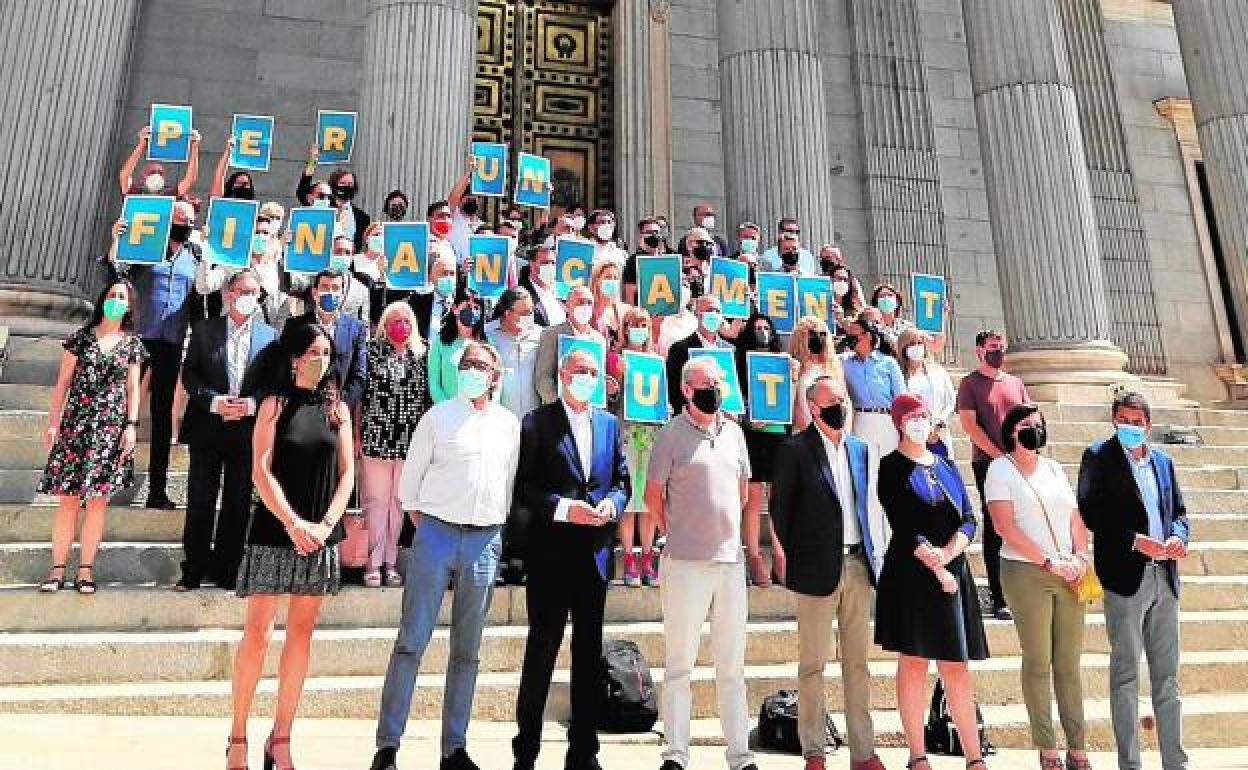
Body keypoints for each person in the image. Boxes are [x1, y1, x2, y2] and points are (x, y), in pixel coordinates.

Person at [371, 341, 520, 770]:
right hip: (435, 533)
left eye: (482, 365)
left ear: (495, 376)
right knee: (411, 641)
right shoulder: (437, 418)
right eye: (467, 363)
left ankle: (454, 748)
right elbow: (410, 487)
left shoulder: (508, 425)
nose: (474, 370)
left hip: (484, 540)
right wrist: (433, 526)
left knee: (468, 650)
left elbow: (507, 483)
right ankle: (388, 746)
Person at [229, 321, 354, 770]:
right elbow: (261, 471)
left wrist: (323, 526)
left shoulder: (337, 411)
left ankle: (281, 738)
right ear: (295, 357)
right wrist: (292, 522)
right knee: (258, 635)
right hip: (274, 529)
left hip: (319, 535)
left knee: (301, 634)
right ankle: (238, 736)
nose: (322, 360)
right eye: (314, 352)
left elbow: (348, 476)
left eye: (328, 353)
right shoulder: (273, 405)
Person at [511, 349, 630, 770]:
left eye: (594, 372)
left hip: (595, 557)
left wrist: (613, 506)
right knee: (541, 654)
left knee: (587, 655)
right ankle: (526, 749)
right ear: (562, 375)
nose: (587, 378)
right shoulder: (537, 423)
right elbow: (524, 488)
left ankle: (583, 751)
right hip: (550, 558)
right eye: (580, 371)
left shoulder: (609, 424)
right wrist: (564, 508)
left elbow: (621, 480)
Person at [644, 357, 758, 770]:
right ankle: (675, 754)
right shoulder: (669, 436)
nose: (716, 389)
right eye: (707, 383)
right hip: (685, 564)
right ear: (687, 389)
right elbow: (653, 495)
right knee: (680, 664)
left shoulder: (734, 433)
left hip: (729, 562)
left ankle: (740, 756)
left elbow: (743, 492)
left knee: (732, 666)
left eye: (719, 382)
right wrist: (674, 531)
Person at [770, 376, 889, 770]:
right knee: (813, 665)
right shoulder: (794, 450)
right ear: (814, 409)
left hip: (856, 565)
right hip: (816, 569)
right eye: (833, 401)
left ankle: (863, 751)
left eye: (843, 399)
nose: (841, 405)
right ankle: (814, 750)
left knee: (858, 663)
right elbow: (781, 514)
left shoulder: (860, 449)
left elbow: (867, 506)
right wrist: (800, 557)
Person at [874, 393, 990, 770]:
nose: (920, 423)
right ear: (899, 423)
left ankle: (974, 757)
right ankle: (917, 755)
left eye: (924, 416)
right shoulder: (891, 467)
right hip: (913, 574)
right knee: (914, 662)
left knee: (956, 665)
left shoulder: (946, 465)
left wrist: (949, 556)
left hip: (953, 570)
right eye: (912, 417)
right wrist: (934, 563)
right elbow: (903, 524)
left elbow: (970, 519)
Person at [1077, 391, 1190, 770]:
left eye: (1136, 422)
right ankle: (1130, 763)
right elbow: (1090, 512)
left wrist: (1178, 537)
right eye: (1123, 420)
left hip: (1165, 578)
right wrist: (1134, 540)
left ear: (1148, 425)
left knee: (1168, 678)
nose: (1130, 427)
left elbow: (1180, 512)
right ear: (1114, 421)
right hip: (1126, 578)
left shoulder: (1163, 461)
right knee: (1126, 672)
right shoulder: (1098, 457)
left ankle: (1175, 761)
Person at [985, 404, 1092, 770]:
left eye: (1039, 424)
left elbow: (1076, 519)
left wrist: (1080, 558)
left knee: (1069, 664)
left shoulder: (1054, 468)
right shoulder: (1000, 469)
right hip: (1027, 571)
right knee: (1038, 660)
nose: (1035, 429)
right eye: (1027, 424)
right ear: (1012, 431)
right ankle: (1047, 749)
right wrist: (1048, 562)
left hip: (1071, 573)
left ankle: (1078, 749)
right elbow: (1004, 526)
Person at [37, 280, 146, 595]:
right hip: (76, 426)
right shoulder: (80, 339)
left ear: (129, 306)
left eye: (121, 297)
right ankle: (57, 569)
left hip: (110, 431)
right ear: (103, 300)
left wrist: (131, 425)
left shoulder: (132, 344)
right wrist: (53, 422)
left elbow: (133, 389)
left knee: (98, 502)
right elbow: (62, 384)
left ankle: (85, 569)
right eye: (111, 295)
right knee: (68, 501)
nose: (115, 300)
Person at [177, 270, 277, 591]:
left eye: (255, 292)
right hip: (208, 426)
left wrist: (250, 405)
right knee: (201, 499)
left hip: (247, 430)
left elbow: (272, 383)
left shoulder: (269, 336)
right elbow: (190, 375)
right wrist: (214, 401)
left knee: (236, 502)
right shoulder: (205, 330)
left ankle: (227, 569)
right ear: (229, 294)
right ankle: (193, 568)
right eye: (243, 291)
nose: (249, 297)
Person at [109, 201, 200, 509]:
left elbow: (201, 303)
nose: (184, 223)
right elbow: (117, 273)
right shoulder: (147, 248)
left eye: (189, 220)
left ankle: (157, 489)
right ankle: (109, 476)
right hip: (139, 337)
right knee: (124, 406)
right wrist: (116, 240)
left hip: (172, 342)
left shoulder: (195, 258)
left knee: (162, 416)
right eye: (179, 218)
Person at [958, 329, 1030, 621]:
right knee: (995, 525)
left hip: (1019, 460)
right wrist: (998, 456)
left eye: (1001, 347)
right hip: (988, 463)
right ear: (979, 350)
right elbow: (970, 426)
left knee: (1023, 520)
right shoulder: (970, 384)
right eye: (992, 347)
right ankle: (999, 596)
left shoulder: (1015, 383)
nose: (997, 352)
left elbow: (1029, 416)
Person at [359, 302, 431, 588]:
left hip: (409, 440)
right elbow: (362, 395)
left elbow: (426, 398)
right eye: (394, 320)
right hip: (376, 436)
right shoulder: (371, 351)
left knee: (399, 503)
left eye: (405, 320)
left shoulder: (422, 354)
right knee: (376, 502)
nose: (400, 326)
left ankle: (390, 561)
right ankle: (372, 562)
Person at [610, 306, 666, 586]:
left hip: (652, 436)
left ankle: (647, 557)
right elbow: (607, 400)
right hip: (627, 435)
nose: (638, 328)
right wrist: (617, 377)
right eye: (633, 323)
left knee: (648, 500)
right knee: (630, 500)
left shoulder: (657, 361)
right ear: (624, 327)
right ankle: (629, 559)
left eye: (643, 324)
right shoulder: (616, 358)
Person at [736, 312, 790, 587]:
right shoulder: (741, 361)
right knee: (754, 497)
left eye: (766, 327)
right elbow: (738, 397)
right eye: (757, 327)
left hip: (779, 434)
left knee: (778, 498)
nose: (762, 332)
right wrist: (749, 417)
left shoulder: (782, 361)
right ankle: (755, 557)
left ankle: (781, 555)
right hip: (753, 434)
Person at [289, 269, 368, 409]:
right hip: (299, 407)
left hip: (336, 412)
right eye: (325, 287)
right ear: (314, 293)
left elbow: (359, 376)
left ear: (342, 294)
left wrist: (339, 404)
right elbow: (285, 367)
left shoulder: (356, 329)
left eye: (335, 288)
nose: (330, 292)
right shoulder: (295, 326)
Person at [840, 317, 905, 456]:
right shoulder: (844, 362)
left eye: (854, 335)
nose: (850, 339)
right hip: (859, 419)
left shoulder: (888, 362)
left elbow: (901, 397)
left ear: (868, 336)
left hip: (887, 420)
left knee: (888, 466)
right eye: (848, 335)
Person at [535, 285, 605, 405]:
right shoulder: (551, 335)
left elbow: (597, 379)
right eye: (580, 302)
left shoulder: (599, 339)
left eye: (589, 303)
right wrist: (560, 408)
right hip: (559, 412)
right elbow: (543, 379)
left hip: (588, 413)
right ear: (567, 306)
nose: (585, 307)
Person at [664, 294, 732, 413]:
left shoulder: (731, 350)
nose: (715, 314)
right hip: (692, 420)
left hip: (724, 421)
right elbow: (673, 391)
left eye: (718, 311)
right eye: (710, 310)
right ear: (697, 314)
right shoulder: (679, 349)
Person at [896, 328, 956, 459]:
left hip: (936, 436)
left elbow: (950, 402)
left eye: (920, 343)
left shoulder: (938, 371)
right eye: (912, 344)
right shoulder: (898, 374)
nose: (916, 347)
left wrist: (939, 423)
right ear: (903, 347)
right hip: (910, 437)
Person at [298, 148, 371, 252]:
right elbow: (302, 192)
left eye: (350, 184)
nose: (346, 187)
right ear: (333, 186)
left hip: (346, 263)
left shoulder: (363, 218)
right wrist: (313, 160)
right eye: (343, 183)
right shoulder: (322, 206)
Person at [485, 287, 541, 420]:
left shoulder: (541, 334)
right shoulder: (487, 334)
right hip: (498, 417)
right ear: (507, 313)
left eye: (531, 311)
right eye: (525, 313)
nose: (530, 316)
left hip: (533, 417)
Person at [428, 286, 485, 403]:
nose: (472, 311)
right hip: (448, 414)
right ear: (455, 309)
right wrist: (448, 412)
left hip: (479, 415)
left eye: (476, 308)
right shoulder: (440, 342)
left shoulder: (487, 343)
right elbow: (434, 384)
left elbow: (495, 383)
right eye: (467, 306)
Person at [790, 316, 845, 432]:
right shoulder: (795, 366)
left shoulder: (833, 366)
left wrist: (844, 431)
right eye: (812, 334)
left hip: (831, 431)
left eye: (822, 334)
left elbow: (844, 400)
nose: (818, 338)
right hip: (803, 432)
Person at [118, 125, 201, 197]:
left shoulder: (168, 196)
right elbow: (124, 176)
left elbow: (189, 180)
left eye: (160, 173)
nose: (157, 175)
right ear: (143, 175)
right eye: (152, 172)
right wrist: (141, 144)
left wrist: (194, 147)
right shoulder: (134, 193)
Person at [408, 244, 461, 340]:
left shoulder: (463, 302)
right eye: (444, 273)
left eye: (452, 274)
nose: (448, 278)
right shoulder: (416, 302)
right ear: (431, 277)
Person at [521, 239, 566, 328]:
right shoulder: (522, 295)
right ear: (532, 264)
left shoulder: (562, 292)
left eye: (553, 263)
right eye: (545, 263)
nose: (550, 267)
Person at [622, 217, 666, 304]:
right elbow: (629, 294)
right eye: (649, 232)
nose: (654, 235)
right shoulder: (633, 261)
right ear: (641, 235)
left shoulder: (667, 259)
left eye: (656, 232)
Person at [588, 259, 628, 345]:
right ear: (597, 280)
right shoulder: (587, 310)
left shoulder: (624, 310)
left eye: (615, 278)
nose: (612, 281)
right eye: (608, 277)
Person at [870, 283, 913, 356]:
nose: (886, 298)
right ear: (876, 303)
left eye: (890, 295)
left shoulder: (907, 326)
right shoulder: (871, 327)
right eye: (881, 296)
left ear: (897, 302)